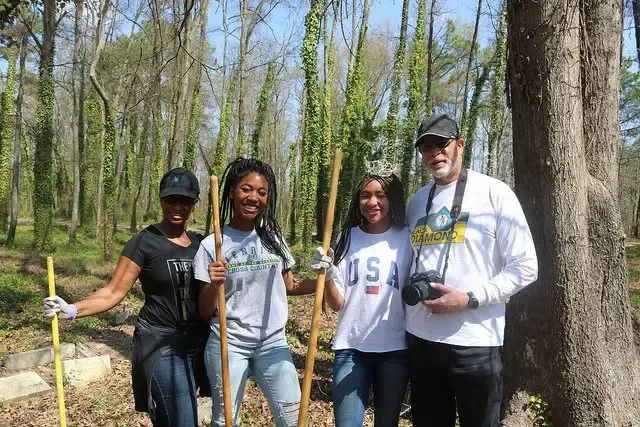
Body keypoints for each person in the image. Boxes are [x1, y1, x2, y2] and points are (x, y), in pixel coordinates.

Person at [43, 167, 208, 427]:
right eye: (170, 199)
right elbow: (113, 291)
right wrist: (72, 309)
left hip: (199, 344)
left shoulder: (203, 244)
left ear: (194, 203)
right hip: (161, 344)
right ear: (161, 200)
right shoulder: (144, 242)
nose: (177, 206)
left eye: (185, 200)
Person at [405, 113, 538, 427]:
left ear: (460, 145)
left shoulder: (494, 193)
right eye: (426, 147)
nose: (434, 152)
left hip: (475, 345)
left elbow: (526, 266)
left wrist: (470, 299)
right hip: (420, 341)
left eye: (441, 143)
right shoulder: (417, 201)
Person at [193, 157, 316, 427]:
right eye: (246, 189)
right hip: (228, 344)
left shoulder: (273, 238)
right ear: (232, 192)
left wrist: (324, 278)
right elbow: (204, 312)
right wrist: (215, 283)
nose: (253, 198)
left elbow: (291, 285)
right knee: (226, 421)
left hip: (273, 343)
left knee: (294, 419)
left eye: (262, 192)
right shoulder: (212, 245)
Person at [309, 171, 413, 427]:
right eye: (365, 195)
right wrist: (329, 273)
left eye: (380, 195)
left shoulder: (407, 238)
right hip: (351, 348)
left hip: (394, 350)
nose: (372, 202)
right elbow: (336, 304)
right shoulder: (347, 238)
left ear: (393, 199)